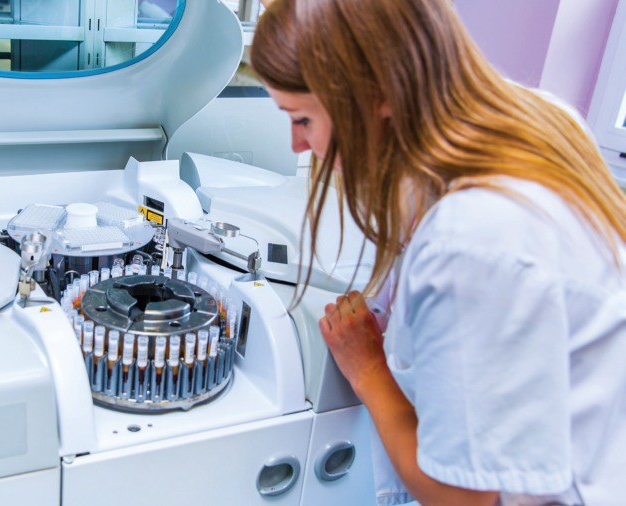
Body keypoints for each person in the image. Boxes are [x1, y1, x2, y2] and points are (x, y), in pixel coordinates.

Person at [250, 0, 626, 505]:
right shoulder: (540, 120)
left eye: (302, 118)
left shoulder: (470, 239)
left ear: (377, 93)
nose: (297, 144)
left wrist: (369, 370)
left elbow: (463, 497)